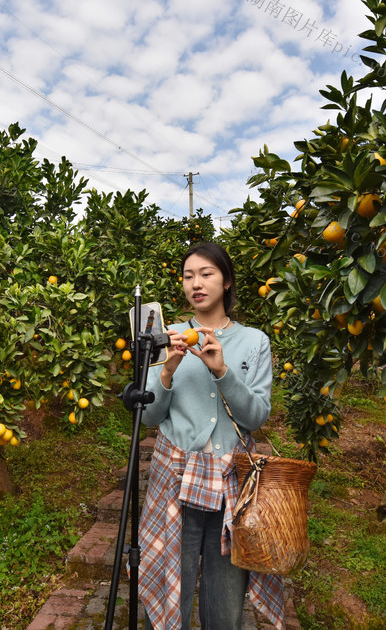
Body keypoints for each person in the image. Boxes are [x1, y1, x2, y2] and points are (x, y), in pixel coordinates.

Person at [137, 242, 286, 629]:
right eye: (188, 276)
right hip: (175, 479)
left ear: (227, 281)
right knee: (174, 593)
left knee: (225, 604)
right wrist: (166, 370)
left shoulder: (254, 342)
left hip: (230, 486)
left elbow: (255, 417)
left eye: (206, 274)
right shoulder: (166, 336)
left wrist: (223, 372)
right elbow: (150, 416)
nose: (196, 284)